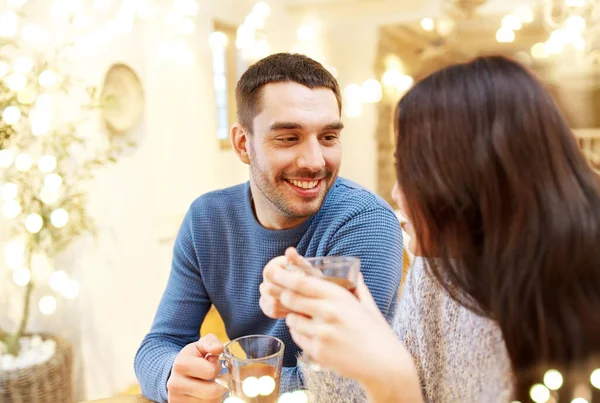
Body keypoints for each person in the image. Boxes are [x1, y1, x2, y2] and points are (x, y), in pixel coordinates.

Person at [262, 55, 600, 402]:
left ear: (469, 178)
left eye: (409, 170)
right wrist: (335, 324)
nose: (396, 194)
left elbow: (398, 387)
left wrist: (394, 383)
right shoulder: (439, 266)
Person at [133, 53, 404, 403]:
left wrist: (226, 379)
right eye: (289, 138)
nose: (315, 162)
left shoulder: (365, 221)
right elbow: (158, 345)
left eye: (328, 137)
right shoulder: (206, 219)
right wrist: (174, 374)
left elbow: (343, 380)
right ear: (242, 144)